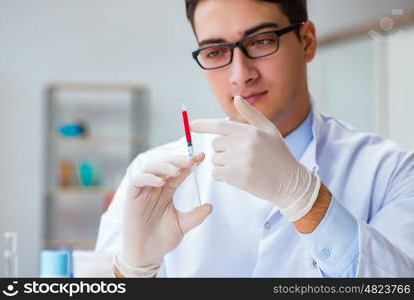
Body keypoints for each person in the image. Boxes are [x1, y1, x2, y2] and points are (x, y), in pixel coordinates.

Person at [95, 0, 414, 277]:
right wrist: (135, 271)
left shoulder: (392, 172)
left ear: (306, 41)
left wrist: (305, 199)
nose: (240, 74)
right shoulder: (151, 179)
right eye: (216, 51)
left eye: (261, 41)